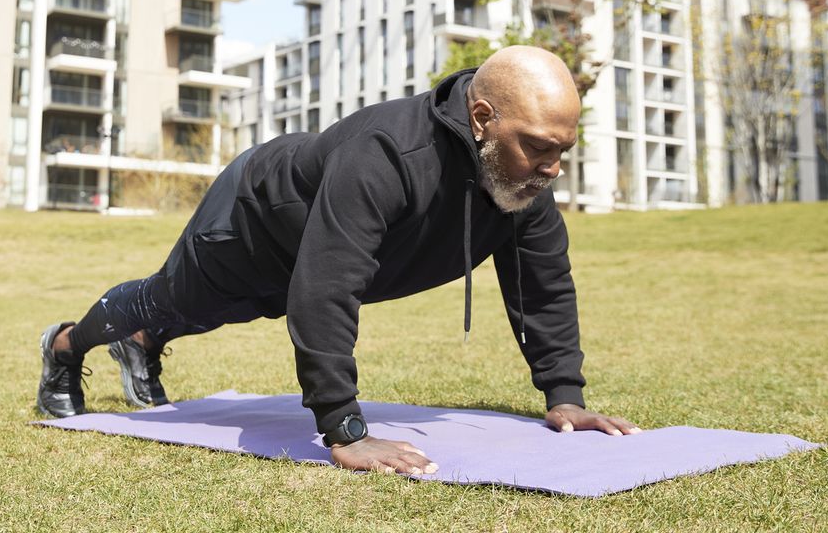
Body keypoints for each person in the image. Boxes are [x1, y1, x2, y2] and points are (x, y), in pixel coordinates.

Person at [37, 46, 640, 475]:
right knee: (174, 301)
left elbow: (543, 287)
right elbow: (327, 286)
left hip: (310, 256)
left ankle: (141, 346)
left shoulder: (520, 183)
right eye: (537, 146)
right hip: (254, 219)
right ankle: (65, 346)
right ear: (483, 119)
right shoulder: (385, 153)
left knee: (211, 316)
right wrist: (344, 428)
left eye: (563, 150)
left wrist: (565, 396)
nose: (552, 166)